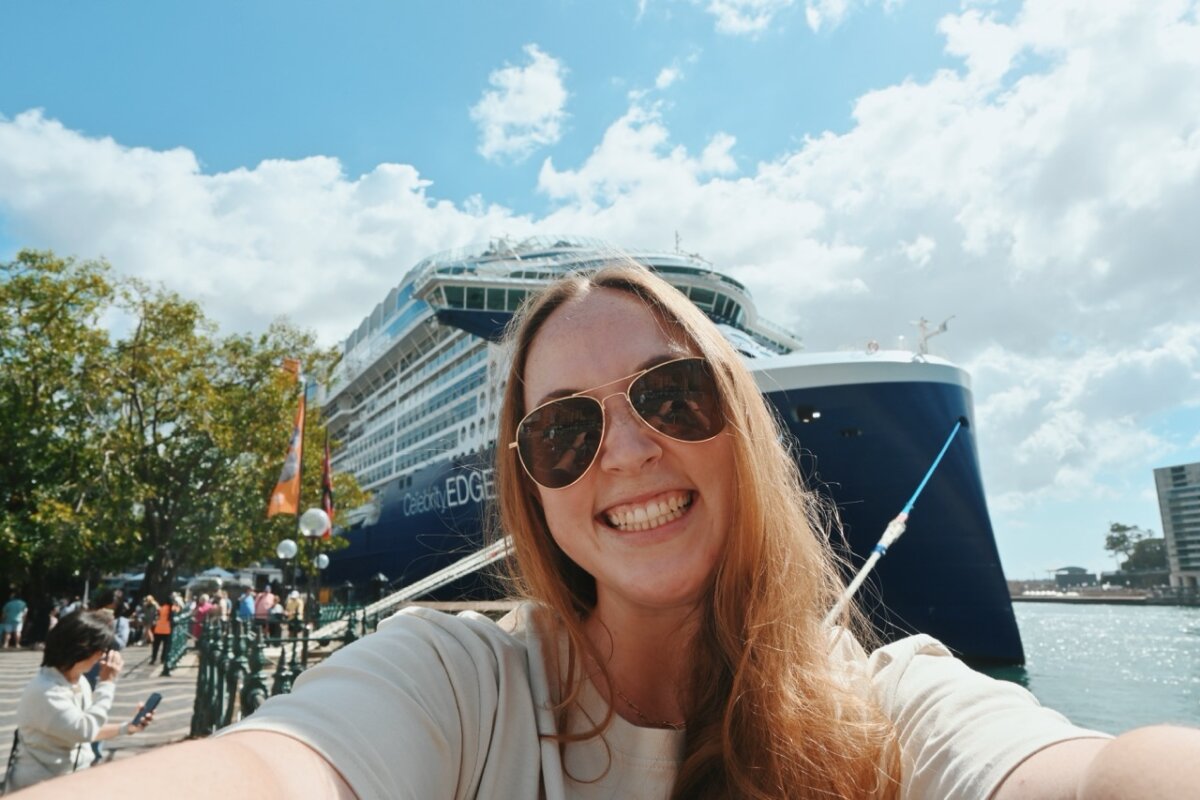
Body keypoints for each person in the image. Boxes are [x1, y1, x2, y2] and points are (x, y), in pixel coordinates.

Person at [21, 264, 1200, 798]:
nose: (628, 449)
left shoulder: (885, 706)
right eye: (564, 432)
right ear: (527, 482)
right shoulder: (458, 685)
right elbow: (277, 770)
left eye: (674, 392)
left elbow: (1087, 774)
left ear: (744, 419)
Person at [4, 610, 153, 791]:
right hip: (38, 788)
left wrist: (127, 727)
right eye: (101, 650)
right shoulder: (45, 691)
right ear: (80, 650)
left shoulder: (78, 680)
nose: (102, 656)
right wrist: (107, 683)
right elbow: (84, 731)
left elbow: (79, 731)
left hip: (68, 783)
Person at [148, 594, 174, 666]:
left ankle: (153, 658)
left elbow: (156, 614)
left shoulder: (162, 607)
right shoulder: (171, 608)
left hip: (158, 629)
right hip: (167, 629)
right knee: (165, 646)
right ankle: (163, 659)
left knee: (156, 646)